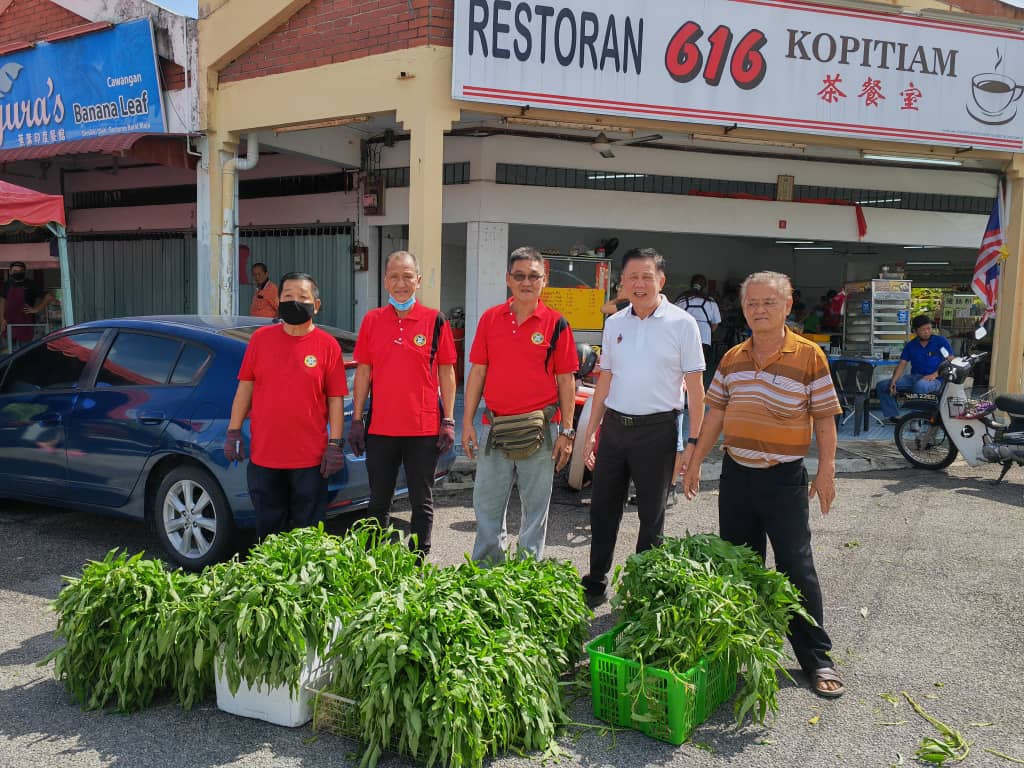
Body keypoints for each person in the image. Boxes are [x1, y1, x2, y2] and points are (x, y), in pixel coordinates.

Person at [683, 270, 845, 699]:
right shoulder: (733, 357)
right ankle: (743, 652)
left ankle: (817, 658)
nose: (759, 310)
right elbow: (715, 412)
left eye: (769, 302)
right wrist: (696, 460)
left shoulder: (810, 356)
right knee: (740, 566)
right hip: (737, 475)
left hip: (784, 478)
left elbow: (825, 419)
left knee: (796, 568)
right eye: (752, 303)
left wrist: (826, 470)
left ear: (788, 305)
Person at [580, 248, 706, 608]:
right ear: (623, 284)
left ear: (660, 281)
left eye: (646, 276)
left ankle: (642, 588)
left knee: (652, 515)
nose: (639, 284)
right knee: (602, 508)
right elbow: (605, 379)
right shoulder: (616, 322)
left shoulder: (683, 324)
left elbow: (696, 391)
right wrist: (591, 429)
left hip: (658, 431)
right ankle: (595, 581)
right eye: (632, 277)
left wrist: (692, 442)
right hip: (616, 428)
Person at [462, 246, 578, 563]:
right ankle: (487, 568)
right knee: (487, 503)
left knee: (536, 505)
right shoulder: (490, 319)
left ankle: (528, 572)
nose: (526, 282)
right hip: (494, 427)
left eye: (533, 276)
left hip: (541, 429)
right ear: (508, 280)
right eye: (520, 276)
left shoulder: (557, 324)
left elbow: (566, 380)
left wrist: (568, 432)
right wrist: (467, 422)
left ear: (544, 281)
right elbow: (478, 372)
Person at [348, 250, 457, 561]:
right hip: (381, 427)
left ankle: (418, 559)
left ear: (418, 281)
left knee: (421, 499)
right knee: (378, 500)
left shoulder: (435, 321)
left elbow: (447, 372)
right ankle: (373, 560)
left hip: (422, 428)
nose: (401, 283)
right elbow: (364, 371)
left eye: (407, 276)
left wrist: (448, 420)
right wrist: (357, 419)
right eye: (394, 276)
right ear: (385, 281)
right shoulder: (372, 320)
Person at [224, 272, 347, 537]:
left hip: (311, 460)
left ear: (316, 305)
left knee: (308, 537)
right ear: (278, 302)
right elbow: (245, 387)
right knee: (269, 532)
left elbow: (336, 399)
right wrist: (233, 431)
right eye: (287, 296)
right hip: (265, 456)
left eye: (302, 297)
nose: (294, 302)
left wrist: (335, 445)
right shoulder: (260, 340)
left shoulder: (327, 346)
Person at [876, 315, 953, 425]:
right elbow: (902, 364)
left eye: (929, 328)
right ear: (915, 331)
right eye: (923, 330)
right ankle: (893, 417)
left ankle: (915, 419)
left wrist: (935, 374)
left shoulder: (940, 341)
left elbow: (950, 361)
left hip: (936, 379)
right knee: (883, 386)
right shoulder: (911, 345)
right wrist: (893, 381)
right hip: (914, 377)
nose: (927, 332)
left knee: (920, 385)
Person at [1, 261, 57, 349]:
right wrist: (1, 319)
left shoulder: (31, 284)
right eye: (15, 271)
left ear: (24, 272)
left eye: (20, 271)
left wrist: (36, 309)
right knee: (8, 354)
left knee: (24, 353)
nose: (18, 273)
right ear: (10, 272)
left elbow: (49, 296)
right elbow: (2, 301)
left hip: (26, 325)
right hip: (9, 325)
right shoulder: (6, 285)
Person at [674, 273, 721, 372]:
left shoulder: (681, 300)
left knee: (681, 369)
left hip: (684, 338)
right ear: (704, 286)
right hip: (704, 339)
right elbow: (716, 323)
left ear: (691, 284)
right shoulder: (711, 302)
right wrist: (707, 333)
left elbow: (672, 321)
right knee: (699, 370)